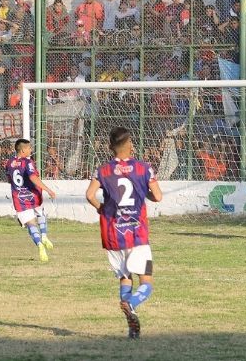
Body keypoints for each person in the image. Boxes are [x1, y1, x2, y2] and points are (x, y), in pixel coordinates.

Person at [85, 127, 163, 339]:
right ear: (129, 144)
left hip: (113, 234)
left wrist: (101, 208)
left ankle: (131, 327)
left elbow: (89, 194)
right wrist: (143, 191)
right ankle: (131, 303)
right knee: (146, 283)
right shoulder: (144, 168)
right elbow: (158, 196)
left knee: (125, 277)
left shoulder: (102, 170)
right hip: (137, 234)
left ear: (111, 147)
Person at [6, 138, 57, 262]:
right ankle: (44, 235)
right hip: (32, 194)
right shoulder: (27, 162)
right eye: (29, 148)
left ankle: (39, 244)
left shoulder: (9, 162)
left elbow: (9, 179)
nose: (31, 150)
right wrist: (48, 189)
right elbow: (33, 177)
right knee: (41, 213)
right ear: (23, 150)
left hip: (19, 198)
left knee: (30, 224)